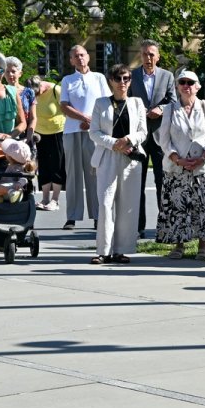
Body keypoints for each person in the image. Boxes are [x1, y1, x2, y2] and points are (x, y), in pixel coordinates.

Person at [156, 70, 205, 260]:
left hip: (202, 166)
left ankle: (203, 246)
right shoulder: (169, 109)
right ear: (177, 86)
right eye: (182, 82)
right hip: (177, 166)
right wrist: (177, 159)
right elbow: (164, 140)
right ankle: (179, 245)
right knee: (178, 207)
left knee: (203, 206)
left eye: (190, 82)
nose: (186, 86)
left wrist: (202, 157)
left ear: (198, 87)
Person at [89, 64, 148, 265]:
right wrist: (114, 143)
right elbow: (93, 132)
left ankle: (121, 250)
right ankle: (103, 251)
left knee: (127, 205)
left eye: (126, 78)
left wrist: (128, 140)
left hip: (130, 157)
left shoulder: (137, 103)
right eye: (118, 78)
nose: (122, 83)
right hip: (108, 155)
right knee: (106, 203)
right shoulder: (101, 103)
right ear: (110, 81)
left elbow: (143, 131)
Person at [129, 39, 176, 238]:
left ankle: (163, 224)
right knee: (136, 182)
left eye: (151, 54)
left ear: (158, 57)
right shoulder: (132, 76)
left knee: (162, 181)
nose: (148, 58)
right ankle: (138, 226)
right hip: (139, 136)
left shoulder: (167, 76)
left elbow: (173, 101)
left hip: (160, 135)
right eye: (145, 54)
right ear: (140, 56)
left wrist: (161, 109)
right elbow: (127, 101)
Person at [60, 45, 110, 231]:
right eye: (75, 56)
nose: (79, 58)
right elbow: (64, 106)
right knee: (72, 174)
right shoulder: (67, 80)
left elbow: (107, 103)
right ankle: (72, 216)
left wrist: (92, 122)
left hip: (94, 131)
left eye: (82, 55)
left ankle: (97, 215)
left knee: (94, 173)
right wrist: (83, 118)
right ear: (71, 60)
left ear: (88, 57)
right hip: (72, 130)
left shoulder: (99, 78)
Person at [30, 75, 66, 212]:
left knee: (56, 165)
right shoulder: (32, 92)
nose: (36, 96)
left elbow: (67, 108)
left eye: (37, 92)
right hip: (40, 133)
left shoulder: (56, 90)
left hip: (58, 131)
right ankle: (45, 198)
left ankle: (55, 200)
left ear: (42, 85)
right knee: (43, 166)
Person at [0, 138, 35, 204]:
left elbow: (23, 178)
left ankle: (9, 194)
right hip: (9, 190)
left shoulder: (16, 167)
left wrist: (19, 183)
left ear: (9, 157)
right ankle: (1, 197)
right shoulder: (22, 166)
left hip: (12, 188)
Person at [4, 57, 37, 143]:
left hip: (24, 136)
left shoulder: (29, 92)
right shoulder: (1, 91)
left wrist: (29, 136)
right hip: (5, 135)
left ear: (20, 73)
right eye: (7, 71)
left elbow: (33, 118)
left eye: (13, 71)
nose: (10, 74)